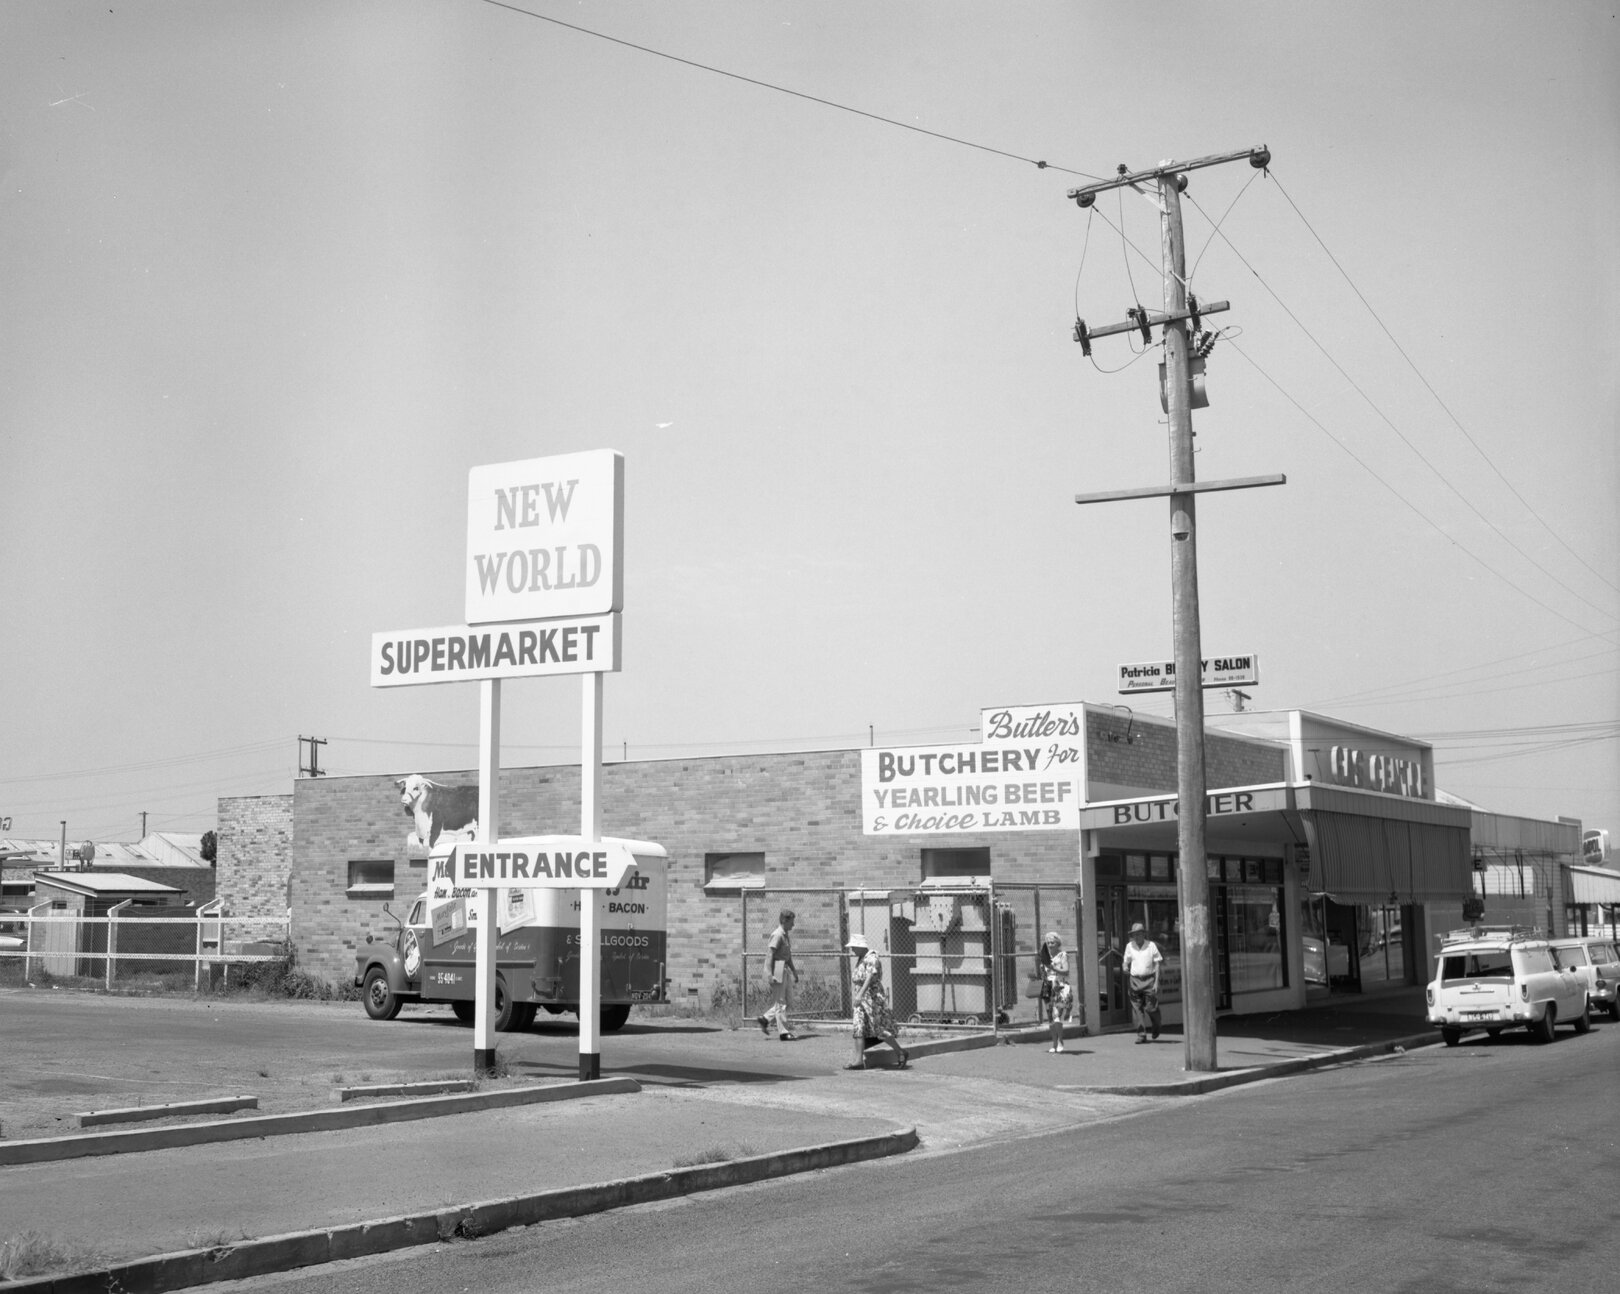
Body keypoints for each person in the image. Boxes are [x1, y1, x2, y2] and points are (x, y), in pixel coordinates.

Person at [844, 932, 907, 1070]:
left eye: (854, 946)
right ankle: (858, 1061)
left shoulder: (872, 958)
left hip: (872, 999)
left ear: (860, 946)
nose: (852, 949)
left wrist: (860, 994)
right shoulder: (861, 958)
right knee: (858, 1027)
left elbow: (870, 977)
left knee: (880, 1030)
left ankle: (900, 1052)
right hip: (861, 1001)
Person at [756, 909, 799, 1040]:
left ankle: (765, 1019)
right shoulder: (777, 935)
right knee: (780, 1002)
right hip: (778, 969)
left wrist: (794, 971)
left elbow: (788, 956)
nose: (793, 925)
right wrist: (769, 973)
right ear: (785, 921)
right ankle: (784, 1032)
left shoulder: (785, 935)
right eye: (792, 922)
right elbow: (770, 954)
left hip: (784, 968)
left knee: (788, 1001)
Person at [1122, 921, 1164, 1043]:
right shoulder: (1129, 946)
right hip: (1134, 980)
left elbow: (1157, 964)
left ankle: (1157, 1023)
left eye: (1139, 934)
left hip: (1149, 979)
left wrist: (1156, 982)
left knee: (1150, 1008)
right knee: (1137, 1009)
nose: (1136, 937)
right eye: (1134, 934)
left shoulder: (1151, 946)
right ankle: (1141, 1035)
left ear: (1143, 934)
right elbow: (1126, 961)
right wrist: (1125, 967)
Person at [1038, 931, 1074, 1053]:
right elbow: (1042, 973)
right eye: (1048, 942)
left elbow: (1066, 971)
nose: (1050, 944)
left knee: (1056, 1015)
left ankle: (1060, 1041)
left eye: (1052, 942)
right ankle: (1054, 1043)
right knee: (1050, 1018)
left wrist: (1053, 967)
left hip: (1060, 987)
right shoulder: (1044, 956)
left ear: (1058, 943)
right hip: (1047, 987)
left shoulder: (1062, 955)